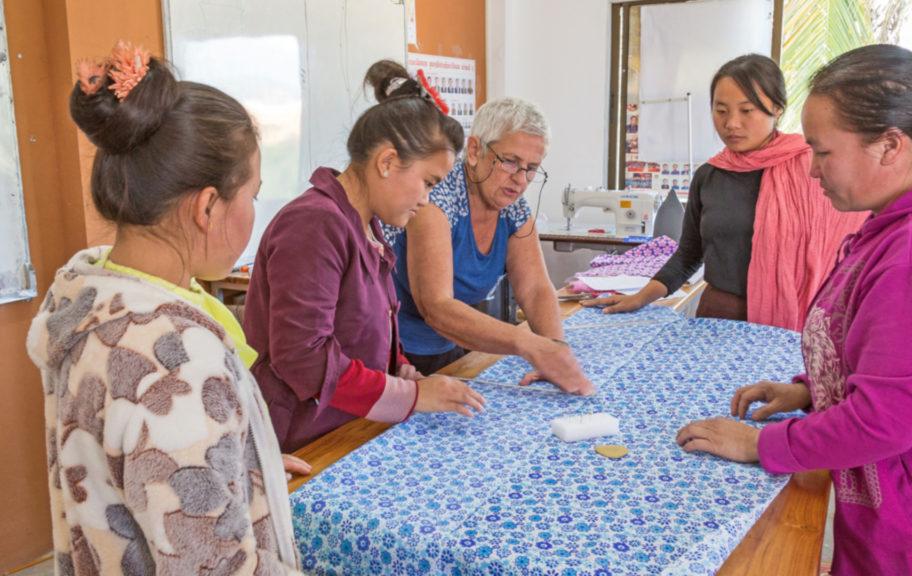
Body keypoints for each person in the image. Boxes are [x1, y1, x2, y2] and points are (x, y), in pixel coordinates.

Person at [676, 42, 912, 575]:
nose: (813, 171)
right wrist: (813, 390)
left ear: (890, 145)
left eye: (823, 152)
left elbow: (886, 421)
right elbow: (906, 364)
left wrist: (761, 443)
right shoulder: (909, 228)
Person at [26, 41, 304, 573]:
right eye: (252, 194)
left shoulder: (89, 300)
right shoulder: (176, 360)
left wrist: (242, 464)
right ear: (207, 206)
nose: (254, 211)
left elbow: (143, 468)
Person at [243, 60, 485, 453]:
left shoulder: (364, 226)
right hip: (303, 441)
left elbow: (360, 331)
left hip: (346, 428)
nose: (426, 200)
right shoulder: (314, 226)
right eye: (427, 183)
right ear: (387, 162)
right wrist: (408, 397)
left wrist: (397, 368)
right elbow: (304, 356)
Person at [584, 54, 867, 331]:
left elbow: (851, 247)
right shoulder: (710, 176)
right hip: (718, 316)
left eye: (746, 111)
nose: (731, 123)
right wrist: (640, 298)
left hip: (793, 321)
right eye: (721, 111)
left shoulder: (812, 169)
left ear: (777, 108)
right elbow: (689, 254)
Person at [388, 97, 594, 394]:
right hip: (397, 354)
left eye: (531, 168)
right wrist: (527, 344)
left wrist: (554, 351)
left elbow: (535, 288)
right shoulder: (437, 199)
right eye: (510, 162)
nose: (521, 179)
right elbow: (437, 307)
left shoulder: (512, 206)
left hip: (452, 345)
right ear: (474, 150)